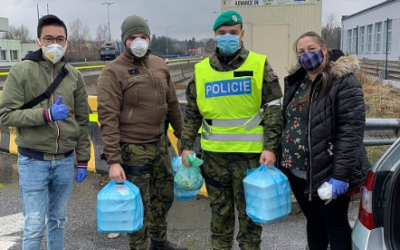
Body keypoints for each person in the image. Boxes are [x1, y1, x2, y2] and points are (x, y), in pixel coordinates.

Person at [180, 11, 283, 250]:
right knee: (220, 216)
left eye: (233, 33)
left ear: (242, 34)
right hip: (214, 158)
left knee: (250, 217)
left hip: (251, 158)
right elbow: (193, 113)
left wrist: (271, 147)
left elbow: (273, 109)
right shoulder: (201, 70)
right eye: (223, 33)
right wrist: (186, 146)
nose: (228, 37)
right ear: (215, 35)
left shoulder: (259, 63)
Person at [0, 14, 90, 250]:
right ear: (38, 41)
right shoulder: (21, 72)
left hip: (64, 162)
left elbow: (82, 120)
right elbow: (6, 115)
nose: (55, 44)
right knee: (34, 225)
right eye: (48, 38)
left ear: (67, 42)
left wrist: (83, 160)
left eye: (60, 39)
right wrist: (46, 114)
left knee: (58, 221)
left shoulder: (75, 76)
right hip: (33, 160)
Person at [97, 15, 186, 250]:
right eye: (132, 37)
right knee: (138, 204)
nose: (138, 41)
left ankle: (158, 241)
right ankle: (139, 246)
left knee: (163, 197)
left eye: (143, 37)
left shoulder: (159, 65)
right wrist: (114, 161)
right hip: (133, 149)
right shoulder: (113, 72)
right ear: (124, 40)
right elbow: (107, 118)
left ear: (149, 38)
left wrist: (183, 138)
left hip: (159, 145)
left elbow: (173, 105)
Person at [280, 31, 368, 250]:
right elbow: (288, 120)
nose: (306, 55)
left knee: (335, 225)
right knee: (314, 221)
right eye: (301, 52)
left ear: (324, 50)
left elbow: (351, 131)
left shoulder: (343, 81)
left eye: (311, 49)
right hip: (299, 171)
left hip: (328, 173)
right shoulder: (297, 82)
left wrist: (340, 176)